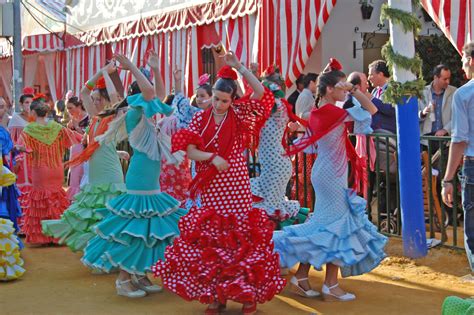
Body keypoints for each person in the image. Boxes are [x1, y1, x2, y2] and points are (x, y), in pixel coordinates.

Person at [153, 53, 285, 315]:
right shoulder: (199, 119)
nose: (219, 104)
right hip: (211, 186)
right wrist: (212, 158)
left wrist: (239, 68)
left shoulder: (239, 115)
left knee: (240, 240)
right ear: (211, 94)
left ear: (233, 100)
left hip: (236, 186)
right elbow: (187, 150)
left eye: (225, 100)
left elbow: (261, 94)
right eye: (215, 98)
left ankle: (248, 297)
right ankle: (217, 296)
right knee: (214, 240)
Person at [273, 58, 386, 301]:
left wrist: (348, 89)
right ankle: (329, 284)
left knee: (330, 226)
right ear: (329, 89)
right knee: (334, 227)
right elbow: (372, 110)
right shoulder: (333, 112)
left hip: (326, 172)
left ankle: (304, 277)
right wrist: (355, 90)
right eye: (341, 85)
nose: (345, 87)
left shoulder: (318, 112)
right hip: (332, 175)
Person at [81, 54, 187, 298]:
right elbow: (151, 93)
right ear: (138, 94)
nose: (150, 93)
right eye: (145, 88)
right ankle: (123, 278)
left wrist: (157, 70)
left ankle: (139, 273)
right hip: (140, 176)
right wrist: (130, 68)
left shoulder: (145, 109)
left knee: (147, 228)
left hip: (149, 176)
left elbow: (156, 94)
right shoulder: (135, 110)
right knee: (136, 227)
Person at [42, 63, 127, 254]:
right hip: (97, 170)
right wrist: (101, 72)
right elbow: (83, 91)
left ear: (106, 100)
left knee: (109, 215)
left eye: (98, 99)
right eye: (94, 99)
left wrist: (107, 75)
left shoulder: (112, 115)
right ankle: (101, 252)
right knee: (96, 214)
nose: (94, 102)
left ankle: (112, 253)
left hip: (109, 172)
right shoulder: (95, 117)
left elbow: (114, 98)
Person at [20, 99, 81, 245]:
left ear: (34, 113)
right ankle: (58, 235)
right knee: (57, 199)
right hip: (56, 167)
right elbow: (76, 138)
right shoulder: (57, 127)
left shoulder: (29, 129)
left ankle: (44, 237)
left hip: (41, 169)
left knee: (41, 200)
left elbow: (23, 148)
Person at [250, 65, 301, 224]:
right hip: (275, 163)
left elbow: (253, 99)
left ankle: (275, 245)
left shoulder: (277, 106)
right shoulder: (277, 106)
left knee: (271, 211)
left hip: (275, 164)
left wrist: (252, 77)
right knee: (272, 207)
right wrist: (254, 77)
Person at [159, 64, 212, 204]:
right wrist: (178, 82)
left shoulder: (217, 115)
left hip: (212, 157)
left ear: (212, 98)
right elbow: (181, 102)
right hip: (197, 159)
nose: (199, 99)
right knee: (198, 192)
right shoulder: (194, 113)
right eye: (198, 96)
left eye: (203, 96)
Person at [442, 41, 474, 272]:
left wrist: (447, 179)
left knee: (472, 233)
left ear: (471, 60)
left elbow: (460, 139)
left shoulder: (463, 94)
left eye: (463, 59)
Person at [419, 64, 457, 148]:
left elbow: (458, 116)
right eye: (445, 79)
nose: (448, 82)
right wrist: (422, 113)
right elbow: (413, 116)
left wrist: (445, 129)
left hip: (445, 139)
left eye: (449, 78)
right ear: (435, 78)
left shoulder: (454, 92)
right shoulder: (422, 92)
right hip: (425, 139)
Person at [8, 90, 34, 212]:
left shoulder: (36, 118)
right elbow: (11, 141)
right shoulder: (15, 119)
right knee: (23, 186)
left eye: (31, 102)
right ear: (21, 104)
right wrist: (17, 157)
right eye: (26, 102)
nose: (29, 105)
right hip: (21, 159)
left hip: (34, 159)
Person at [65, 97, 89, 200]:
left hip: (84, 152)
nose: (69, 111)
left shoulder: (88, 118)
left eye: (71, 108)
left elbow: (88, 137)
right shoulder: (72, 120)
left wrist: (77, 127)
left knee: (82, 175)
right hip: (74, 150)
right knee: (74, 176)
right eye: (67, 108)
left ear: (79, 106)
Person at [368, 60, 397, 134]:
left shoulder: (393, 89)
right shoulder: (374, 91)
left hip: (388, 134)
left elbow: (391, 109)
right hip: (376, 133)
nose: (369, 78)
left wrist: (372, 99)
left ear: (380, 74)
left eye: (371, 74)